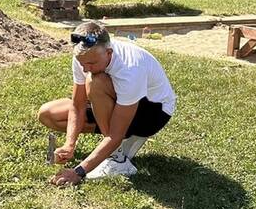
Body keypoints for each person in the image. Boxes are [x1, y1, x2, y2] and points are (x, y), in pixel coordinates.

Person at [38, 21, 176, 187]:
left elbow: (115, 135)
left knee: (95, 82)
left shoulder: (129, 69)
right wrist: (69, 145)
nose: (86, 67)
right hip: (119, 100)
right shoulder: (85, 56)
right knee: (49, 114)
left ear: (109, 52)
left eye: (91, 64)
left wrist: (78, 172)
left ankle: (117, 159)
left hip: (153, 114)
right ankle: (112, 144)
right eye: (82, 63)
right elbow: (78, 105)